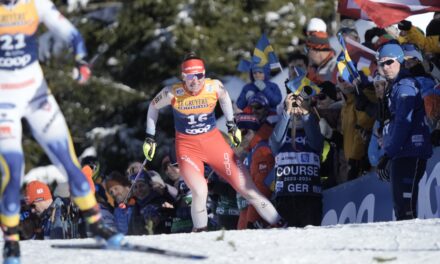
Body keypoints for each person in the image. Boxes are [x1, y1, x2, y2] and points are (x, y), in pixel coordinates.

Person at [0, 1, 121, 263]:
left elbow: (71, 33)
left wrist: (81, 59)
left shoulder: (35, 3)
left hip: (36, 94)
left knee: (69, 162)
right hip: (4, 100)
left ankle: (97, 224)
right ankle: (10, 242)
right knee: (13, 170)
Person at [143, 52, 284, 231]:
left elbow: (225, 99)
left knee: (248, 189)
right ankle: (201, 232)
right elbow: (153, 107)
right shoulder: (172, 92)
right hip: (188, 149)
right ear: (183, 77)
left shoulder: (214, 87)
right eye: (189, 77)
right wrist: (150, 137)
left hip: (214, 144)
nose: (195, 82)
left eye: (199, 76)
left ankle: (281, 224)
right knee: (200, 191)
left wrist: (231, 125)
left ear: (204, 74)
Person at [376, 43, 432, 220]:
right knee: (401, 209)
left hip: (410, 152)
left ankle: (414, 246)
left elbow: (403, 122)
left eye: (390, 62)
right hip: (402, 152)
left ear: (400, 60)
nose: (385, 67)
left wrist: (388, 153)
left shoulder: (405, 86)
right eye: (381, 63)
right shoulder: (395, 86)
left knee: (405, 210)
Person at [269, 93, 324, 227]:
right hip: (285, 198)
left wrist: (305, 113)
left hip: (310, 198)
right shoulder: (280, 134)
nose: (296, 112)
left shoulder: (313, 131)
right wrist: (286, 112)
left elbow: (317, 143)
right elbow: (275, 142)